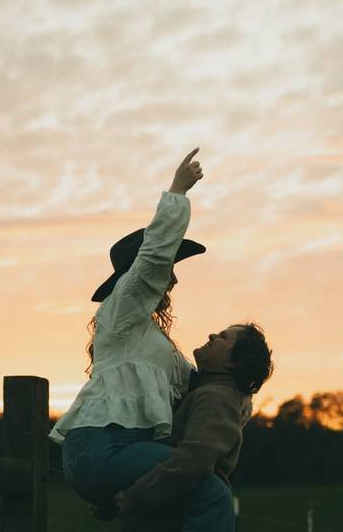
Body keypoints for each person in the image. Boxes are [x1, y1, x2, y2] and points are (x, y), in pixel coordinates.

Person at [50, 148, 219, 524]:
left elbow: (196, 385)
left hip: (115, 450)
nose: (172, 276)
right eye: (171, 265)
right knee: (212, 494)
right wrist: (178, 191)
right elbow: (154, 258)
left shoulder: (150, 339)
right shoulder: (121, 308)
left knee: (167, 510)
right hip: (103, 447)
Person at [114, 323, 274, 532]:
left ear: (233, 361)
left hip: (182, 518)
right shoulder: (207, 391)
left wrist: (134, 497)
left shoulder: (217, 398)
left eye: (223, 337)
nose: (212, 333)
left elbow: (193, 461)